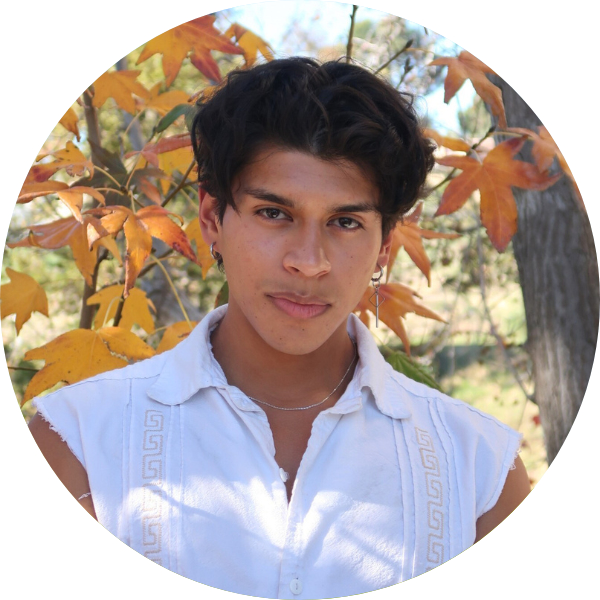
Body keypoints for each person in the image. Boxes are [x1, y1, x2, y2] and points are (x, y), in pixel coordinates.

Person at [28, 57, 530, 598]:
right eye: (274, 214)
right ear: (213, 220)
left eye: (345, 222)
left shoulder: (480, 470)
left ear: (385, 245)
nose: (309, 261)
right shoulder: (78, 442)